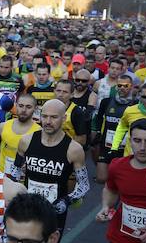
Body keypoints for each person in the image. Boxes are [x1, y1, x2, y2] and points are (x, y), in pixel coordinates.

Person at [11, 99, 89, 234]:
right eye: (44, 116)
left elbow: (84, 185)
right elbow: (14, 172)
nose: (48, 121)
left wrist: (66, 201)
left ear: (64, 118)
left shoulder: (74, 149)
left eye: (54, 117)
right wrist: (17, 195)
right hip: (28, 209)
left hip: (54, 214)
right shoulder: (26, 141)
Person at [92, 75, 136, 184]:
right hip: (107, 145)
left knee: (121, 181)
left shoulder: (136, 104)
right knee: (102, 178)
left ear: (131, 87)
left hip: (125, 148)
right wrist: (98, 133)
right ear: (116, 87)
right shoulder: (106, 102)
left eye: (126, 86)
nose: (122, 88)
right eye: (119, 85)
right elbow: (98, 118)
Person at [0, 93, 40, 176]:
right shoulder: (3, 126)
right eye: (21, 106)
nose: (24, 110)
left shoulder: (39, 132)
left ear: (35, 109)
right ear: (16, 106)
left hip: (25, 180)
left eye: (28, 107)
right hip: (2, 178)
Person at [53, 79, 90, 147]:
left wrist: (59, 143)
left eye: (65, 92)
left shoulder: (77, 113)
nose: (60, 94)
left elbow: (82, 140)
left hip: (68, 149)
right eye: (58, 91)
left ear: (72, 95)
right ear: (54, 91)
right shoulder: (48, 108)